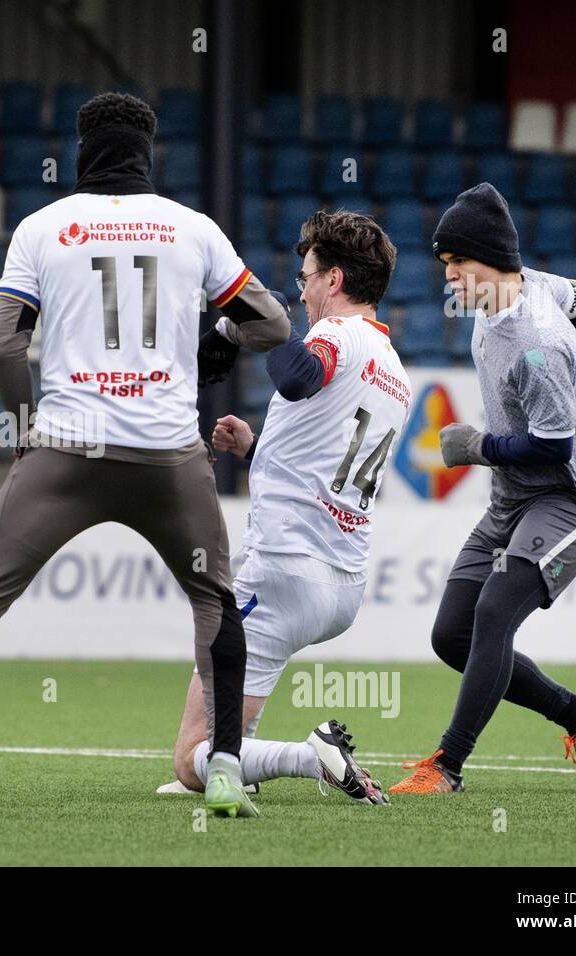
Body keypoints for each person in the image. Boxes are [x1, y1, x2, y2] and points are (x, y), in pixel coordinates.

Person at [0, 92, 292, 820]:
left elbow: (3, 343)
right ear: (148, 151)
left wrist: (25, 422)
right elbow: (273, 323)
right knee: (214, 604)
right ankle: (223, 769)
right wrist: (214, 345)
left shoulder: (43, 227)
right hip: (168, 456)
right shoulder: (193, 229)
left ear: (82, 149)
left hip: (67, 450)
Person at [390, 183, 576, 795]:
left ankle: (447, 767)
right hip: (514, 500)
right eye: (445, 263)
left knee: (494, 612)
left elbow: (553, 448)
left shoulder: (539, 342)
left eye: (458, 263)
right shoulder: (527, 283)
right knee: (451, 636)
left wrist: (476, 447)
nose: (448, 276)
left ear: (493, 261)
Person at [163, 209, 407, 806]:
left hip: (282, 570)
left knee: (194, 758)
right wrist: (257, 448)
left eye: (305, 278)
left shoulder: (337, 335)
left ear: (335, 281)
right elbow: (327, 456)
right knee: (229, 742)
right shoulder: (395, 371)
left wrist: (253, 318)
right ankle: (269, 756)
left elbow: (298, 376)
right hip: (342, 584)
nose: (300, 292)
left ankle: (310, 756)